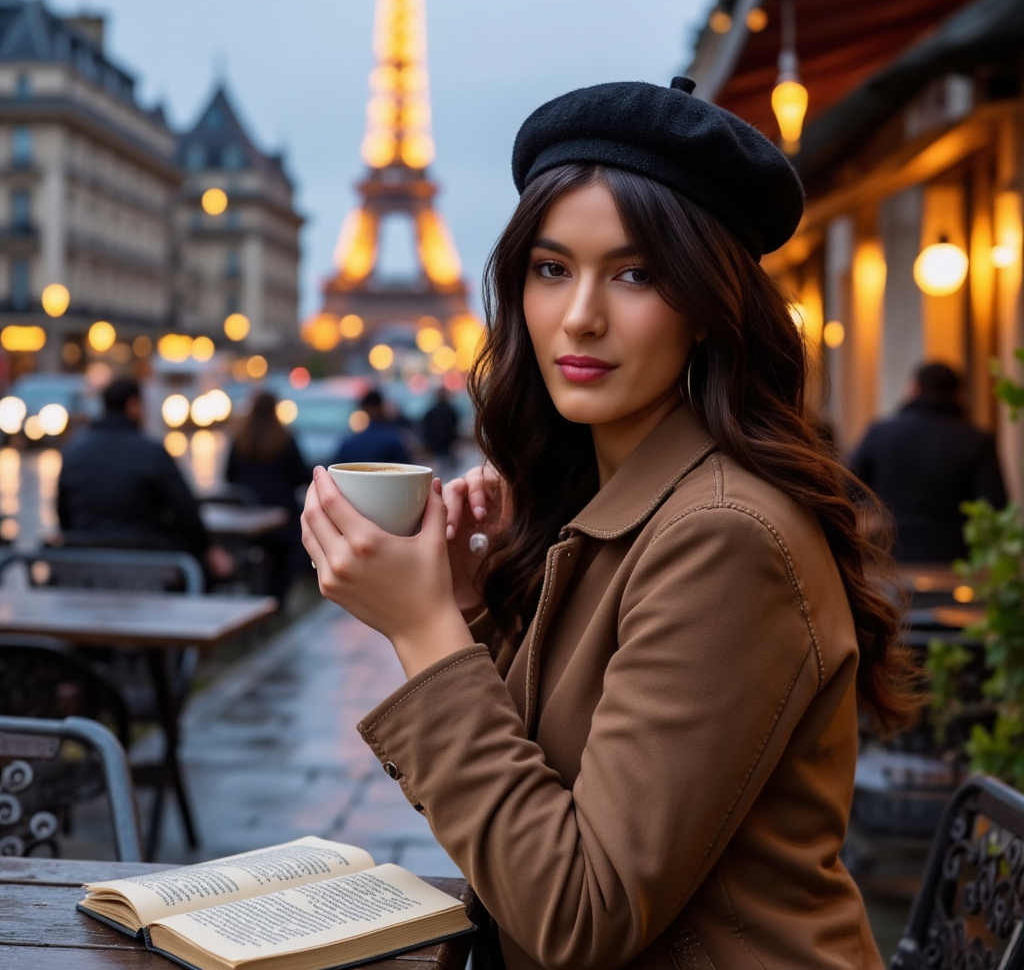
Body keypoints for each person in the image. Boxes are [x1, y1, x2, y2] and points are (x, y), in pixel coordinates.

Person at [301, 78, 921, 968]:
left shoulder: (723, 536)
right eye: (552, 270)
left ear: (711, 310)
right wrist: (475, 610)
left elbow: (578, 917)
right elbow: (553, 807)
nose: (579, 316)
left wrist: (422, 628)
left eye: (636, 274)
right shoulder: (625, 508)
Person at [58, 377, 232, 578]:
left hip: (85, 563)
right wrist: (208, 548)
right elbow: (186, 511)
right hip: (146, 564)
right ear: (133, 405)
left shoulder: (72, 452)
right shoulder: (152, 453)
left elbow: (64, 516)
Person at [852, 362, 1007, 562]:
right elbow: (994, 509)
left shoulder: (880, 433)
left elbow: (848, 488)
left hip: (888, 558)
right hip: (955, 563)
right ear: (958, 394)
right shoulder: (977, 441)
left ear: (914, 388)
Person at [226, 391, 310, 601]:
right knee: (292, 552)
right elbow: (300, 475)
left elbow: (228, 475)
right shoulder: (285, 439)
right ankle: (276, 600)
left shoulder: (240, 439)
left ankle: (256, 596)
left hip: (246, 513)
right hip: (282, 517)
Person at [332, 389, 412, 465]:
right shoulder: (393, 440)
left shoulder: (347, 444)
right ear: (381, 408)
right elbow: (407, 471)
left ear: (362, 410)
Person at [420, 387, 459, 470]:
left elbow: (426, 427)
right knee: (446, 467)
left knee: (437, 467)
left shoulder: (432, 410)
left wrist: (427, 442)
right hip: (446, 444)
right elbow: (455, 427)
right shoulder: (451, 410)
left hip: (436, 444)